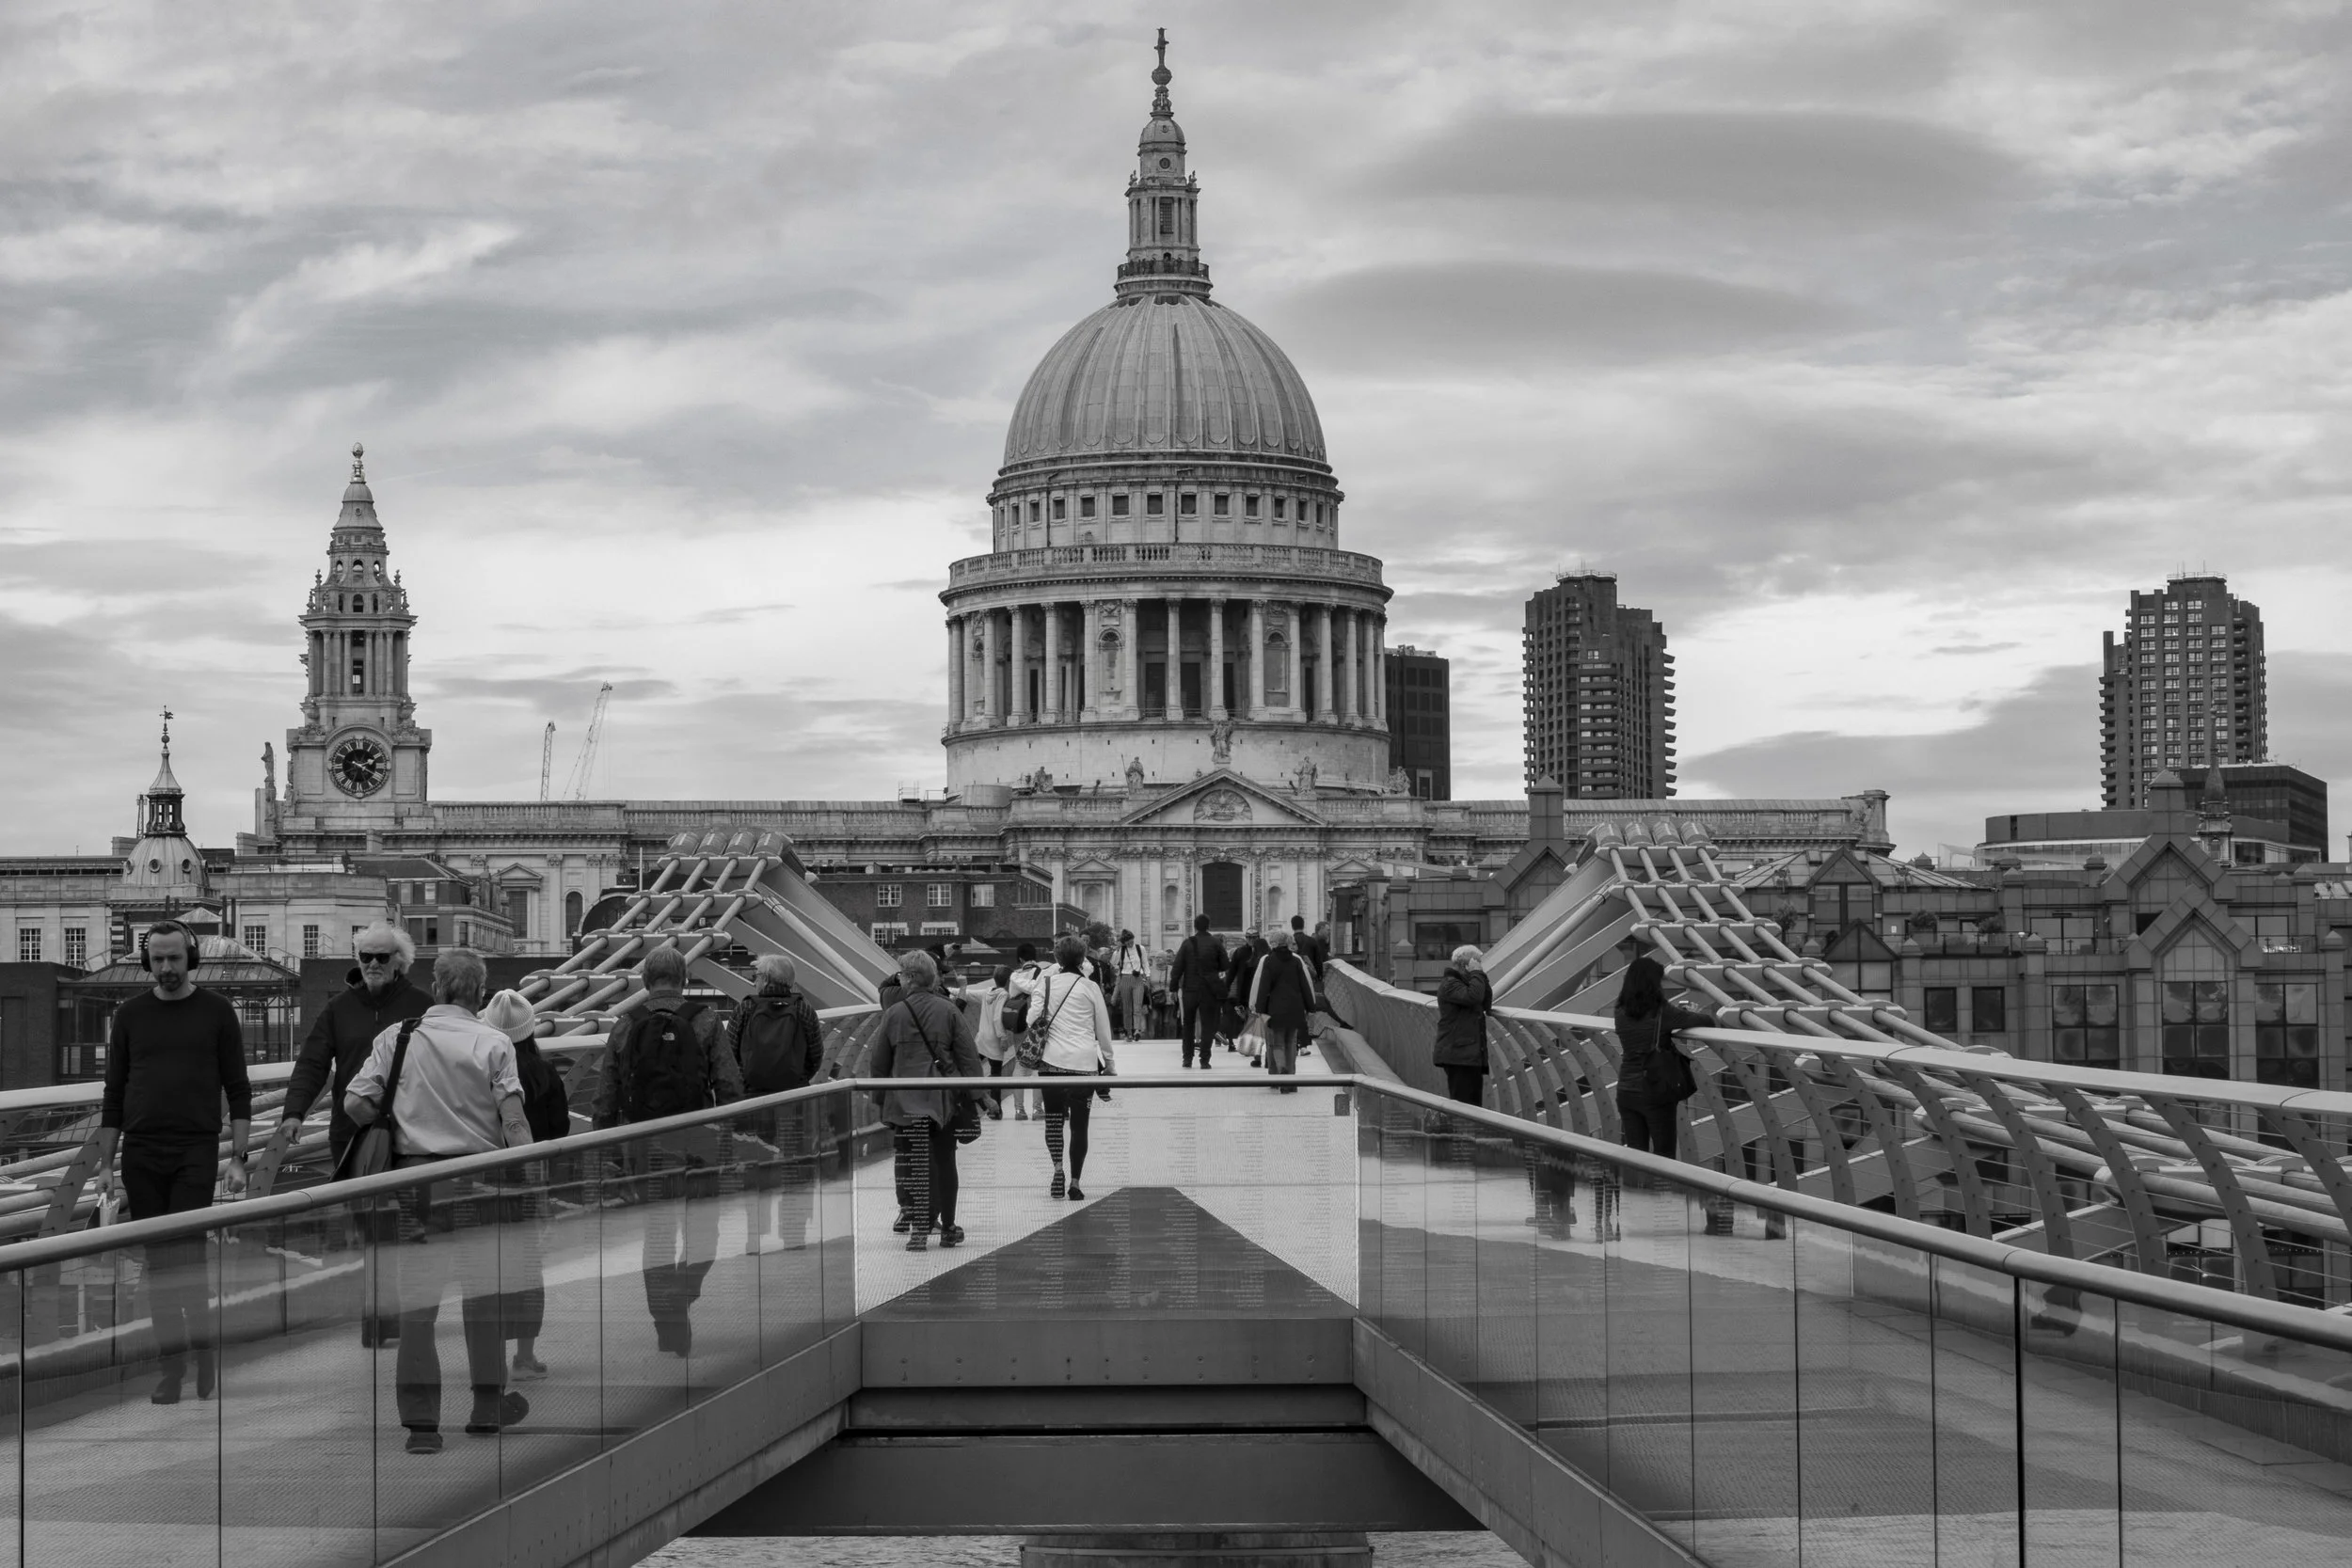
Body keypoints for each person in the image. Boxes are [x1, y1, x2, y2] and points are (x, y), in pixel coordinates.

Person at [344, 948, 533, 1454]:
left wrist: (397, 1119)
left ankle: (422, 1427)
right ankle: (487, 1409)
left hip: (415, 1186)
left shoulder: (398, 1037)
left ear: (437, 986)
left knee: (418, 1309)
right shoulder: (495, 1042)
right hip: (480, 1183)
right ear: (479, 992)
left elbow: (354, 1102)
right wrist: (532, 1172)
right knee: (484, 1303)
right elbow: (513, 1122)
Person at [93, 919, 251, 1405]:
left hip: (195, 1150)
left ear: (191, 960)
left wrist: (240, 1159)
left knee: (188, 1258)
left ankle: (203, 1352)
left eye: (174, 959)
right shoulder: (130, 1016)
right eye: (157, 959)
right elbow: (114, 1093)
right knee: (158, 1266)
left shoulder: (218, 1011)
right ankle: (171, 1369)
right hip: (141, 1152)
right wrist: (105, 1165)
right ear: (147, 962)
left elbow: (239, 1089)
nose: (165, 967)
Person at [592, 942, 744, 1354]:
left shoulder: (625, 1024)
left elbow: (606, 1095)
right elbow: (730, 1087)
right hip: (697, 1142)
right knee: (703, 1235)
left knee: (657, 1236)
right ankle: (682, 1296)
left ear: (644, 981)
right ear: (685, 979)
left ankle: (667, 1320)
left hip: (645, 1146)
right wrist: (728, 1141)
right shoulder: (707, 1020)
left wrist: (610, 1151)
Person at [860, 949, 983, 1249]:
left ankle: (918, 1229)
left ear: (912, 979)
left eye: (902, 974)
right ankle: (949, 1227)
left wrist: (879, 1098)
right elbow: (968, 1058)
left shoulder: (894, 1014)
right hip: (942, 1101)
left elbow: (879, 1063)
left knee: (914, 1163)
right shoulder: (949, 1010)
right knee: (944, 1161)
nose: (900, 979)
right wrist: (980, 1097)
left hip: (904, 1103)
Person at [283, 923, 431, 1169]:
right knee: (355, 1207)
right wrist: (294, 1113)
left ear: (399, 961)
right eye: (366, 956)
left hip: (408, 1134)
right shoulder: (338, 1008)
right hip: (350, 1132)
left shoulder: (422, 1006)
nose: (373, 964)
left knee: (405, 1207)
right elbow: (312, 1063)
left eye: (382, 957)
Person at [480, 990, 565, 1383]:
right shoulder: (544, 1073)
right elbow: (560, 1130)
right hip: (531, 1182)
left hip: (485, 1181)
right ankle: (525, 1356)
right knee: (529, 1268)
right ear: (530, 1030)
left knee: (490, 1267)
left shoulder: (477, 1069)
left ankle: (491, 1353)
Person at [729, 956, 824, 1252]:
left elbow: (729, 1051)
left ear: (767, 979)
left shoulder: (745, 1008)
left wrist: (746, 1082)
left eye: (756, 973)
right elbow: (816, 1055)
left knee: (754, 1167)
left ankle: (754, 1237)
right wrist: (797, 1079)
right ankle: (793, 1235)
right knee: (796, 1165)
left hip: (753, 1099)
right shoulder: (803, 1009)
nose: (753, 978)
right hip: (793, 1099)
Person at [1029, 934, 1116, 1199]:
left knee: (1054, 1121)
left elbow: (1031, 1019)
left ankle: (1057, 1169)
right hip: (1084, 1065)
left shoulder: (1044, 984)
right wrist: (1109, 1064)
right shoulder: (1091, 988)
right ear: (1083, 958)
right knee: (1080, 1126)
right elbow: (1103, 1031)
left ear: (1056, 958)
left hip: (1051, 1063)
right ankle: (1076, 1183)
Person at [1612, 954, 1716, 1161]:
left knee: (1635, 1155)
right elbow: (1706, 1021)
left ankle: (1636, 1191)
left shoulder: (1620, 1011)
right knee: (1664, 1155)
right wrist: (1694, 1011)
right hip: (1655, 1090)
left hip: (1626, 1090)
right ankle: (1662, 1193)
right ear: (1653, 983)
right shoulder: (1661, 1011)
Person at [1248, 928, 1319, 1092]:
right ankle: (1291, 1081)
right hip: (1295, 1009)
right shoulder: (1296, 961)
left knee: (1277, 1044)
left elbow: (1263, 987)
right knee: (1291, 1044)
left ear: (1274, 943)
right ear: (1287, 943)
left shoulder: (1269, 961)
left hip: (1274, 1010)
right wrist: (1311, 1008)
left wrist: (1259, 1009)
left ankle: (1281, 1070)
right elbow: (1305, 986)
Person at [1434, 945, 1496, 1106]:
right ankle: (1462, 1132)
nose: (1480, 967)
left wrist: (1480, 975)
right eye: (1477, 963)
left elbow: (1486, 1003)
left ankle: (1469, 1132)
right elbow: (1474, 997)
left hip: (1469, 1055)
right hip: (1458, 1056)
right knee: (1463, 1105)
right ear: (1465, 965)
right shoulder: (1450, 984)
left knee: (1474, 1105)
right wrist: (1477, 974)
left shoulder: (1469, 983)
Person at [1168, 915, 1227, 1070]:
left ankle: (1187, 1059)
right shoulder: (1216, 943)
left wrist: (1173, 988)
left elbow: (1177, 967)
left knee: (1188, 1024)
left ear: (1195, 926)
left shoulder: (1188, 943)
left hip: (1190, 990)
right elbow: (1225, 964)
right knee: (1208, 1025)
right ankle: (1205, 1060)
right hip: (1209, 990)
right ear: (1209, 926)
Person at [997, 943, 1044, 1120]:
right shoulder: (1042, 973)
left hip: (1019, 1025)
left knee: (1020, 1064)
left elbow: (1011, 996)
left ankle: (1019, 1110)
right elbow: (1039, 991)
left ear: (1020, 958)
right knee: (1038, 1066)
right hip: (1038, 1025)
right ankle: (1037, 1109)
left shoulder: (1015, 975)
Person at [1109, 928, 1150, 1043]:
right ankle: (1128, 1032)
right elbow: (1113, 963)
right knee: (1127, 1008)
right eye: (1128, 942)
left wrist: (1147, 976)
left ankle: (1137, 1030)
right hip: (1124, 978)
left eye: (1131, 941)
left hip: (1138, 978)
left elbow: (1145, 963)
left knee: (1137, 1006)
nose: (1130, 944)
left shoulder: (1140, 948)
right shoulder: (1120, 951)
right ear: (1124, 942)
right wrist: (1117, 950)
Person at [1291, 915, 1327, 984]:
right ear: (1303, 925)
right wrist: (1320, 976)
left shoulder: (1289, 942)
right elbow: (1318, 961)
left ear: (1292, 926)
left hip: (1294, 977)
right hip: (1310, 977)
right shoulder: (1312, 941)